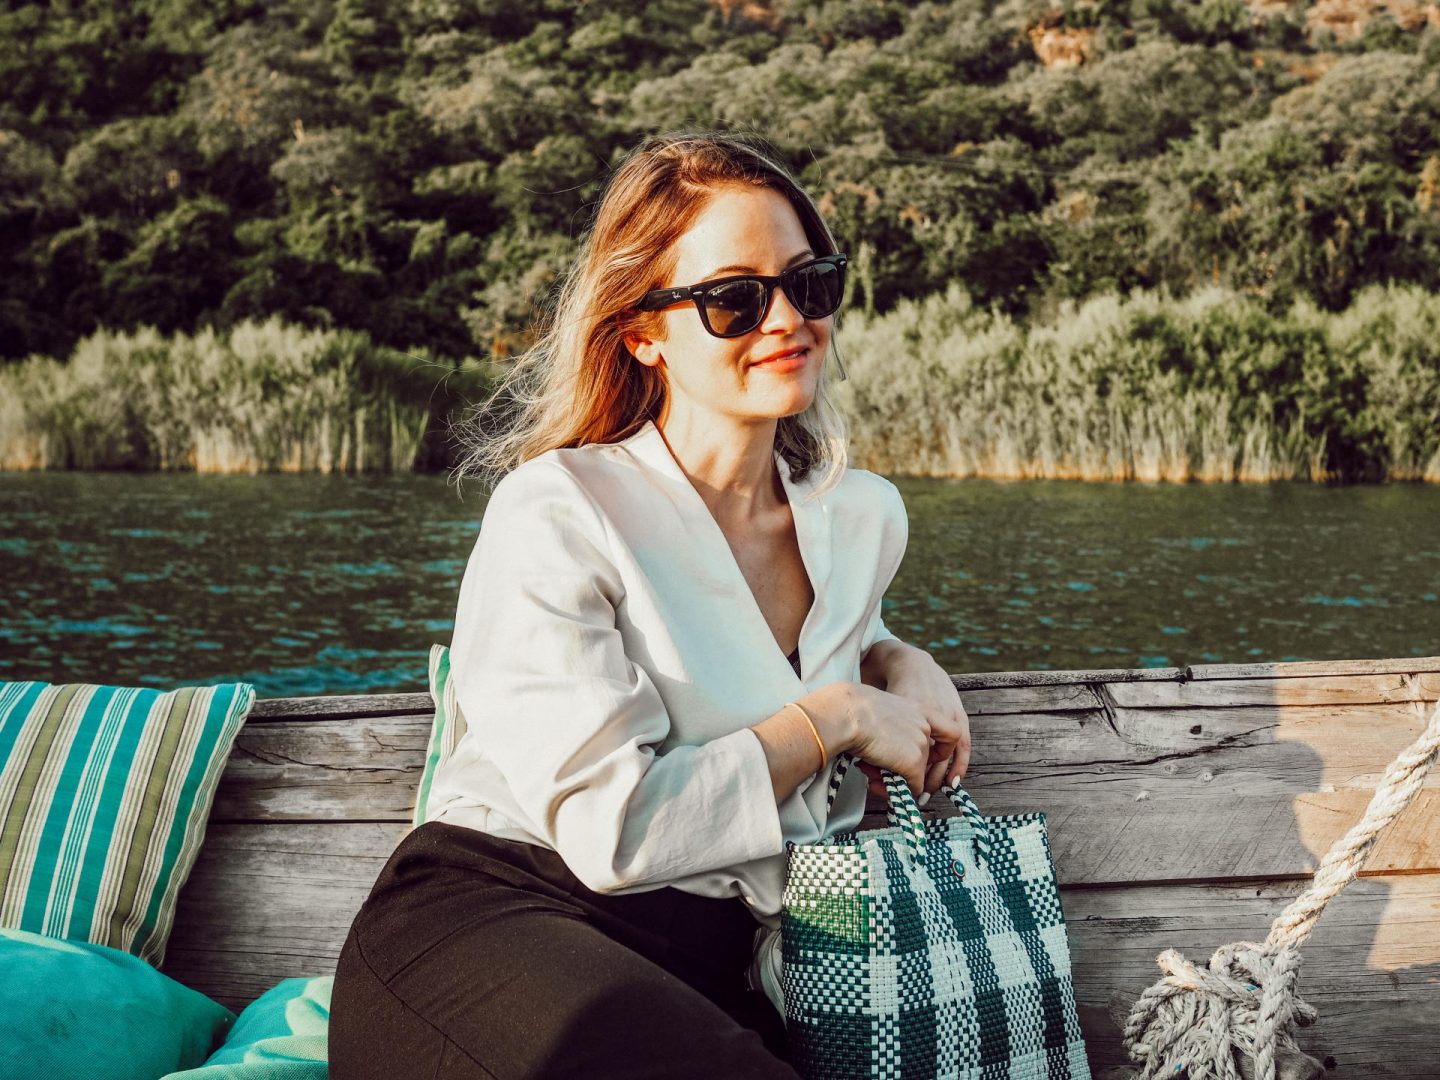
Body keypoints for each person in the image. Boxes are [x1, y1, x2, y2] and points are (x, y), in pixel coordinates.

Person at [328, 130, 972, 1079]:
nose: (787, 317)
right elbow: (616, 830)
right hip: (499, 926)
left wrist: (893, 659)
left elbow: (798, 642)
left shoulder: (862, 515)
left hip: (714, 965)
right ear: (642, 333)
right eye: (733, 298)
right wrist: (836, 717)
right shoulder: (560, 510)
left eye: (811, 282)